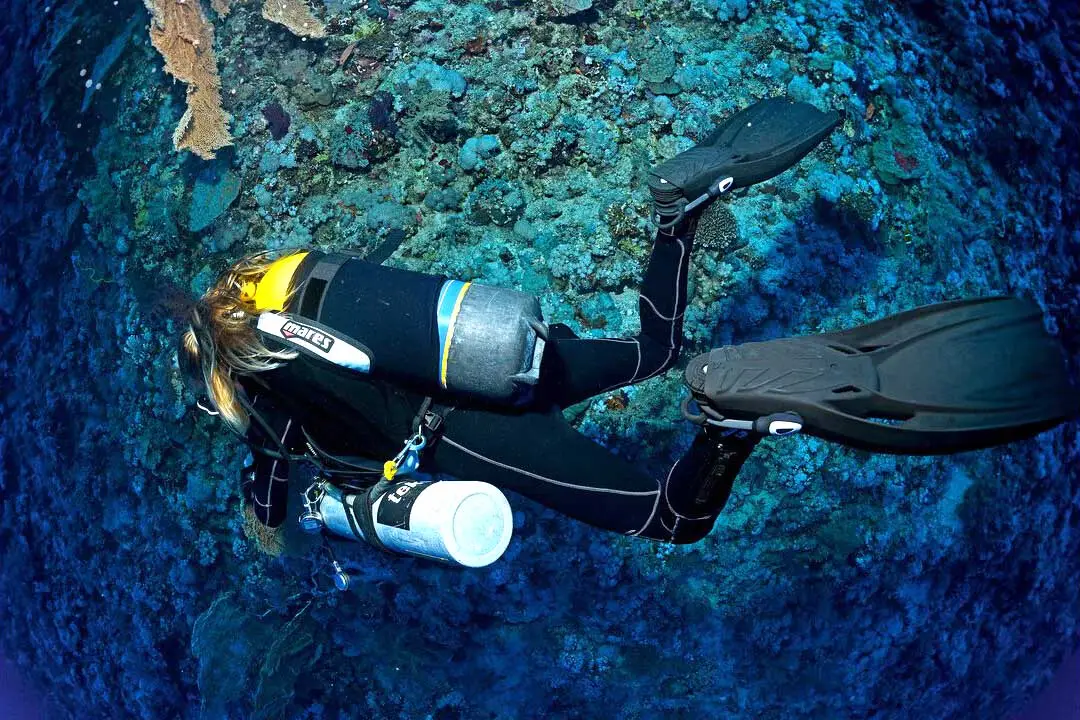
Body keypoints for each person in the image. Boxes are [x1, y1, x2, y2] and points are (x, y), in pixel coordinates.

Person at [177, 98, 1078, 555]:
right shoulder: (289, 287)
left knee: (669, 521)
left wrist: (267, 532)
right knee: (657, 350)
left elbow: (270, 491)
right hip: (502, 361)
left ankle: (732, 419)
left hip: (464, 433)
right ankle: (678, 213)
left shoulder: (254, 393)